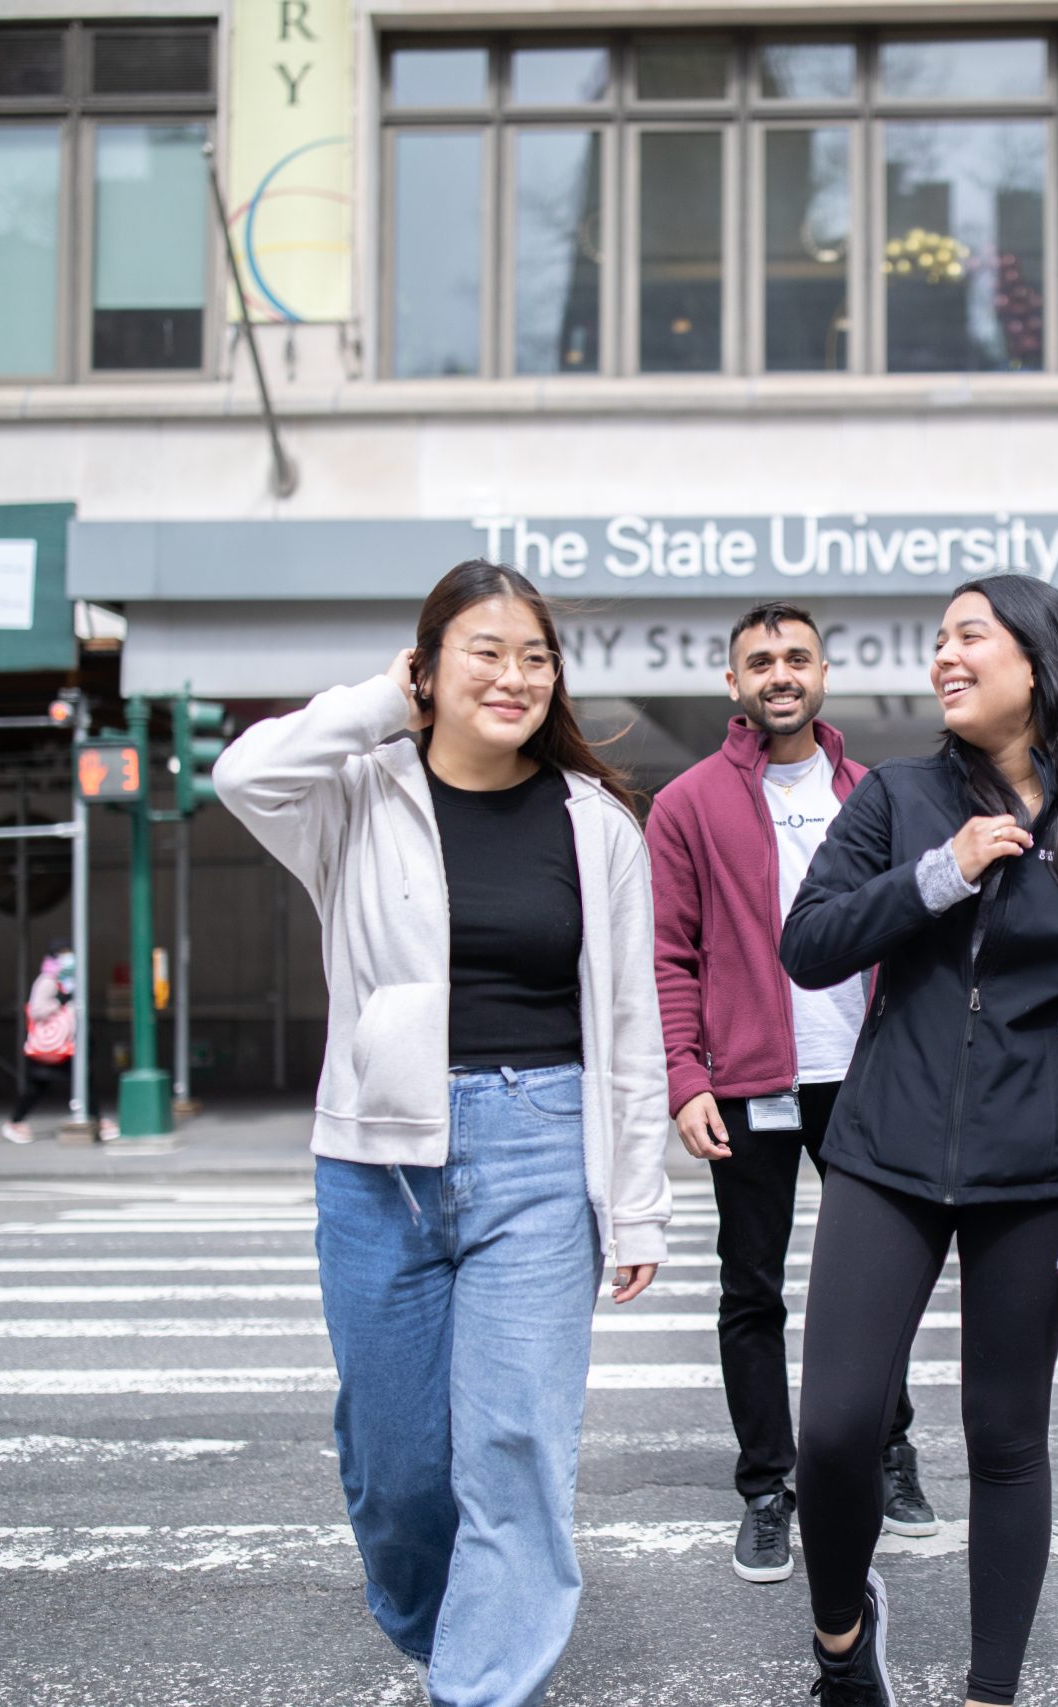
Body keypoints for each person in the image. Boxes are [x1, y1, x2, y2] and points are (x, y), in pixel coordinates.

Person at [213, 559, 672, 1707]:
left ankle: (480, 1684)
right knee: (397, 1467)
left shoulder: (595, 824)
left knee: (515, 1450)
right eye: (485, 650)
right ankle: (446, 1630)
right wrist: (383, 701)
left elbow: (627, 1018)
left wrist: (637, 1195)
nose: (514, 675)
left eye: (534, 655)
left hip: (541, 1140)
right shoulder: (357, 793)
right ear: (427, 667)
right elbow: (242, 771)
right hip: (376, 1160)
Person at [780, 575, 1058, 1707]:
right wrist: (938, 876)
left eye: (969, 638)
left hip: (1036, 1168)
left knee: (1005, 1436)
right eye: (938, 642)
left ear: (1038, 662)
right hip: (884, 1152)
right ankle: (843, 1640)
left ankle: (988, 1691)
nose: (943, 658)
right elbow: (805, 944)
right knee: (838, 1430)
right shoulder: (897, 798)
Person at [648, 600, 934, 1587]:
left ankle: (888, 1447)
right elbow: (669, 955)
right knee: (751, 1288)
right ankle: (769, 1487)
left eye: (796, 657)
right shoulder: (688, 803)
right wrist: (685, 1079)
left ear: (822, 674)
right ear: (732, 683)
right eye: (759, 660)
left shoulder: (877, 792)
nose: (779, 673)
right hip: (747, 1081)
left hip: (868, 1076)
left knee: (882, 1284)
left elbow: (916, 937)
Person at [1, 947, 77, 1144]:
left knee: (82, 1079)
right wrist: (58, 1002)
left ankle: (93, 1116)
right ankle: (15, 1121)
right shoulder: (47, 981)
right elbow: (36, 1011)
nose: (69, 958)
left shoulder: (66, 981)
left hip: (63, 1044)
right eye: (64, 953)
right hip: (50, 1045)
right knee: (38, 1086)